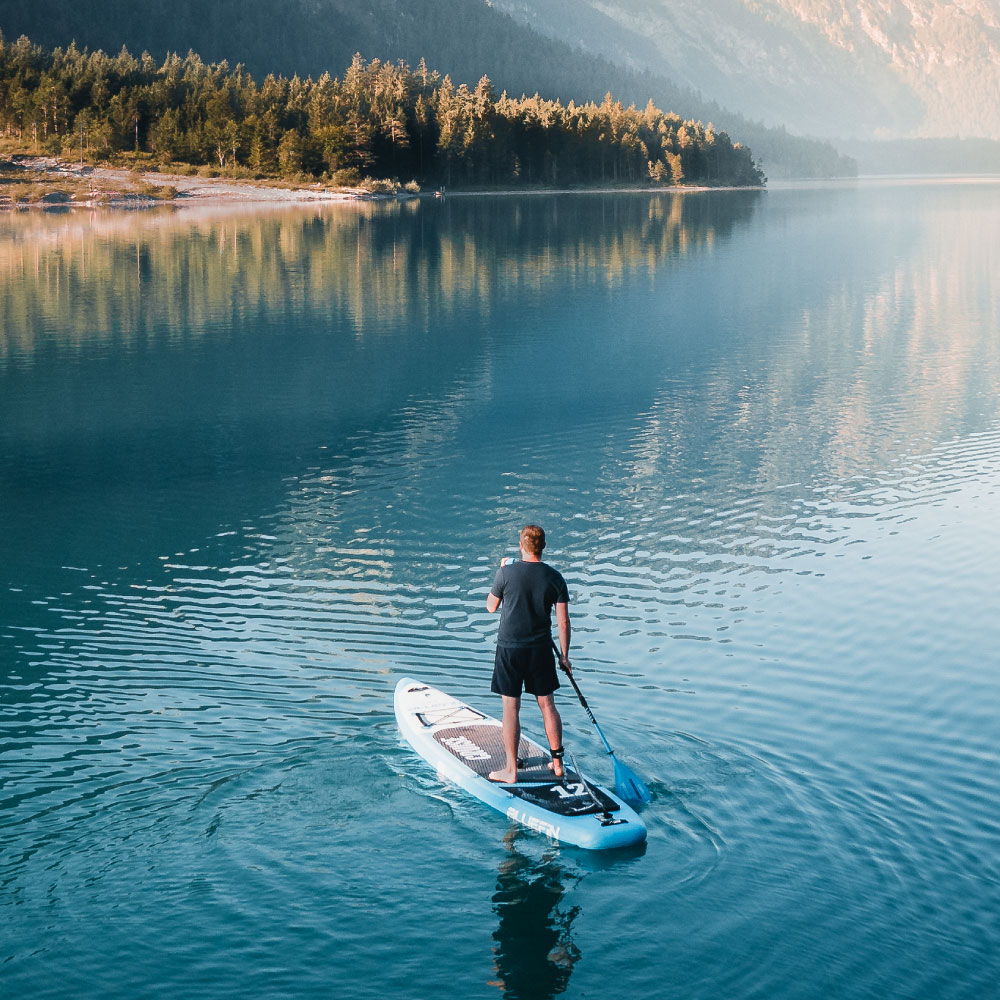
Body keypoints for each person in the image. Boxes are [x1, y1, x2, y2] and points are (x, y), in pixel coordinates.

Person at [485, 524, 572, 783]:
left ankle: (511, 771)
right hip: (541, 650)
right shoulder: (555, 578)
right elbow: (564, 622)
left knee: (511, 708)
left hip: (510, 649)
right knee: (547, 705)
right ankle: (557, 764)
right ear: (543, 547)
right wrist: (564, 656)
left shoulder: (506, 573)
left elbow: (491, 607)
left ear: (521, 546)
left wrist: (501, 572)